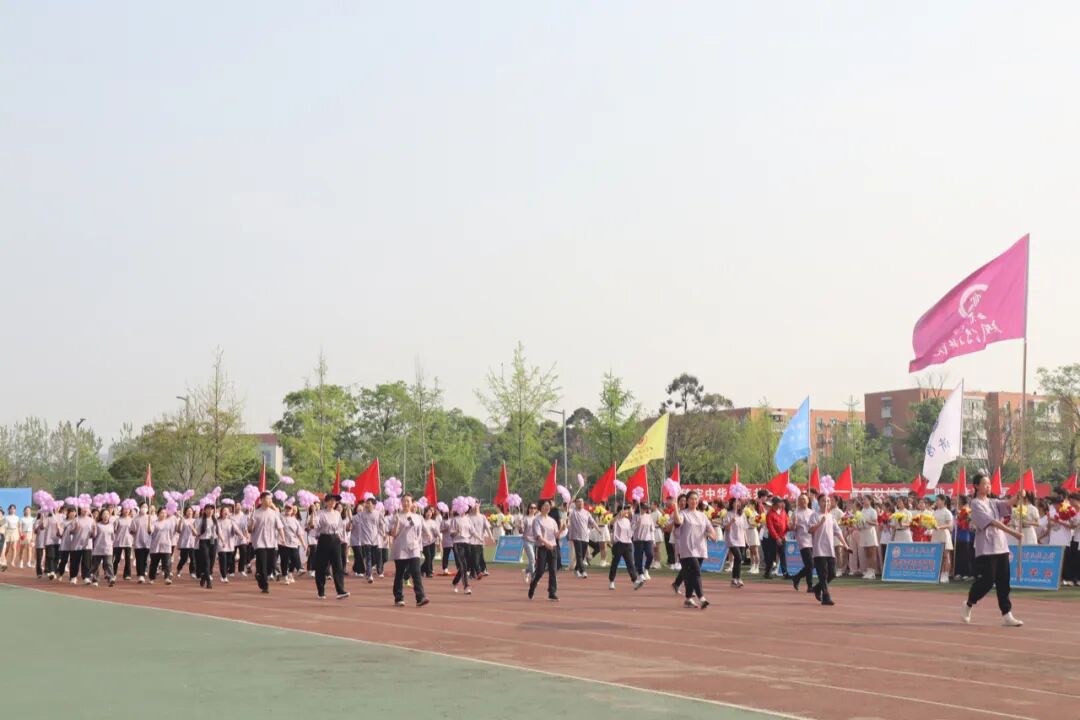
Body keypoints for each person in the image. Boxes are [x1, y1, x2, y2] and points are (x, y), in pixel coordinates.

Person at [963, 474, 1024, 627]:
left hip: (1001, 546)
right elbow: (992, 522)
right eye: (985, 484)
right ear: (976, 486)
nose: (988, 486)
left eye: (989, 484)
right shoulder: (975, 504)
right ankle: (969, 603)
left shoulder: (993, 502)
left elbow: (1008, 503)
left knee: (1004, 582)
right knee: (987, 581)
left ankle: (1007, 614)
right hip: (986, 548)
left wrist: (1018, 496)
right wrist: (1013, 533)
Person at [671, 490, 717, 609]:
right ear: (687, 501)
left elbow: (711, 531)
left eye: (696, 499)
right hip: (687, 549)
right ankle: (702, 598)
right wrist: (675, 507)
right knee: (696, 572)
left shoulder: (702, 515)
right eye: (691, 499)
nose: (694, 501)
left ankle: (688, 599)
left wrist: (712, 535)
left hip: (700, 549)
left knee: (692, 575)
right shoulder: (683, 513)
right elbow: (678, 521)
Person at [388, 494, 429, 607]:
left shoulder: (417, 517)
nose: (406, 503)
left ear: (412, 503)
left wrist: (428, 535)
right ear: (401, 502)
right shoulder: (397, 516)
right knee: (400, 573)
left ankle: (420, 597)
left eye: (408, 501)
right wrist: (397, 522)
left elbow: (421, 530)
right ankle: (398, 598)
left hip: (414, 548)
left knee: (416, 572)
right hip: (401, 548)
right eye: (404, 501)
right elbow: (393, 534)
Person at [809, 494, 848, 606]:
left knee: (832, 573)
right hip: (819, 550)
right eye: (823, 501)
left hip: (830, 549)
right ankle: (826, 597)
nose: (826, 503)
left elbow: (838, 531)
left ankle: (817, 588)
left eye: (828, 501)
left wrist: (845, 545)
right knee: (823, 574)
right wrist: (820, 523)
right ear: (818, 502)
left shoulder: (831, 516)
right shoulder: (814, 515)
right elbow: (810, 530)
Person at [312, 494, 349, 600]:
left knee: (338, 566)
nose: (333, 503)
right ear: (326, 502)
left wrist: (340, 538)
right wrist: (313, 515)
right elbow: (315, 525)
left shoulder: (337, 513)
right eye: (331, 500)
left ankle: (340, 591)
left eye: (335, 501)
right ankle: (321, 591)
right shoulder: (320, 513)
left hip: (335, 539)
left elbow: (340, 527)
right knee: (321, 566)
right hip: (324, 539)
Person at [249, 491, 285, 594]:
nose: (270, 501)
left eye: (271, 499)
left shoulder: (274, 513)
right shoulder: (255, 513)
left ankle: (259, 574)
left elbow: (280, 527)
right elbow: (250, 530)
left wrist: (283, 538)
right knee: (263, 565)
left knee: (271, 565)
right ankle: (265, 586)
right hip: (259, 543)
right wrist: (251, 523)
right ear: (262, 500)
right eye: (268, 499)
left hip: (272, 543)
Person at [528, 499, 559, 601]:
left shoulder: (552, 521)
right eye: (545, 505)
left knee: (553, 571)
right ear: (540, 507)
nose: (547, 507)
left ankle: (552, 592)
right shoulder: (537, 520)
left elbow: (556, 535)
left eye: (548, 506)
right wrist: (546, 543)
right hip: (542, 548)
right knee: (540, 571)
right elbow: (538, 536)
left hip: (553, 547)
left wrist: (562, 530)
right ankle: (533, 584)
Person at [607, 505, 645, 591]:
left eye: (627, 510)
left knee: (630, 563)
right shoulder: (616, 520)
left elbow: (630, 532)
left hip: (628, 544)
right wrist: (618, 515)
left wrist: (637, 524)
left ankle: (635, 581)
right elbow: (611, 524)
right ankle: (611, 581)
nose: (627, 511)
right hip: (618, 544)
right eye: (625, 510)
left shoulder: (627, 521)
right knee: (615, 563)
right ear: (620, 511)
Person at [790, 494, 816, 594]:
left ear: (808, 501)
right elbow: (791, 528)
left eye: (804, 499)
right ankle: (810, 586)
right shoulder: (795, 513)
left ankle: (797, 577)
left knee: (811, 564)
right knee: (810, 563)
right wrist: (794, 524)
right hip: (803, 540)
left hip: (812, 539)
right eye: (800, 499)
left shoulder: (812, 512)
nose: (802, 501)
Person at [65, 504, 95, 585]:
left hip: (87, 544)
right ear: (80, 509)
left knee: (86, 562)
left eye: (86, 508)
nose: (85, 510)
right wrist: (75, 529)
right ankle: (73, 577)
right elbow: (70, 532)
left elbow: (94, 534)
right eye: (83, 508)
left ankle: (86, 577)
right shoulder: (75, 520)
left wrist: (94, 530)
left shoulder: (91, 520)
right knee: (75, 561)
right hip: (76, 544)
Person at [147, 507, 177, 585]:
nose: (163, 514)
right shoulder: (154, 523)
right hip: (156, 546)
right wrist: (149, 522)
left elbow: (172, 533)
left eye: (165, 513)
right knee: (154, 564)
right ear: (158, 514)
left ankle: (167, 578)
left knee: (167, 563)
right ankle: (152, 578)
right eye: (162, 513)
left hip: (166, 545)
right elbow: (150, 531)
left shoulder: (169, 523)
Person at [279, 504, 306, 585]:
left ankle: (299, 569)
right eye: (286, 508)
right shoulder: (280, 517)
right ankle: (285, 576)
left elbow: (299, 533)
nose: (288, 510)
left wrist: (304, 544)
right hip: (283, 543)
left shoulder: (295, 520)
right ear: (284, 509)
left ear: (292, 511)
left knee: (295, 556)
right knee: (284, 560)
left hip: (294, 542)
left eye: (289, 509)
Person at [763, 497, 789, 580]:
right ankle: (768, 572)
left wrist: (789, 528)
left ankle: (785, 573)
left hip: (782, 537)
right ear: (775, 504)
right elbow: (771, 527)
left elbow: (786, 523)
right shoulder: (770, 514)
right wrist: (777, 538)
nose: (782, 504)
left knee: (782, 555)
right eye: (780, 502)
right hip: (773, 538)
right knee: (772, 555)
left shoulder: (783, 512)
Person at [724, 497, 748, 589]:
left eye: (739, 503)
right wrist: (731, 522)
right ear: (732, 504)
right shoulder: (729, 514)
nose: (738, 504)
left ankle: (734, 579)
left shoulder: (742, 514)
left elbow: (745, 528)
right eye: (735, 502)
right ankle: (738, 578)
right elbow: (726, 528)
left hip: (741, 540)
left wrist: (746, 540)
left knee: (738, 559)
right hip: (731, 539)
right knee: (738, 557)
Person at [90, 508, 116, 587]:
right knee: (96, 565)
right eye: (104, 514)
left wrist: (112, 544)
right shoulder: (97, 525)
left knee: (108, 563)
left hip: (108, 548)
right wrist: (94, 528)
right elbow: (94, 536)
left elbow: (113, 537)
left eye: (107, 514)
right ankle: (95, 579)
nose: (106, 516)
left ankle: (110, 578)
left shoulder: (111, 525)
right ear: (101, 516)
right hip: (98, 547)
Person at [931, 495, 955, 583]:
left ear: (943, 501)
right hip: (936, 534)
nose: (936, 502)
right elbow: (932, 522)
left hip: (944, 534)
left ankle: (946, 574)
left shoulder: (947, 512)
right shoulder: (935, 512)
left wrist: (939, 527)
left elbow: (950, 525)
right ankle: (939, 573)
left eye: (938, 500)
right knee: (937, 555)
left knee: (946, 555)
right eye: (936, 500)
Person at [195, 503, 218, 589]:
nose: (210, 511)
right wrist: (194, 532)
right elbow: (197, 533)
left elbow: (219, 531)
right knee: (207, 561)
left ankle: (204, 577)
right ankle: (208, 581)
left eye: (211, 509)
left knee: (212, 562)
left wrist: (223, 541)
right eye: (208, 509)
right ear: (204, 511)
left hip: (213, 541)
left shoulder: (215, 520)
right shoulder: (201, 520)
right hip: (204, 541)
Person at [449, 508, 472, 595]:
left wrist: (480, 538)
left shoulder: (468, 519)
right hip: (458, 543)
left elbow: (472, 531)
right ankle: (466, 587)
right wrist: (456, 532)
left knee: (467, 565)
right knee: (463, 565)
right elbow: (451, 534)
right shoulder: (455, 519)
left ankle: (454, 582)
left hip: (467, 543)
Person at [631, 501, 656, 580]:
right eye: (643, 508)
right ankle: (640, 573)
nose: (645, 510)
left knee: (650, 555)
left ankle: (646, 569)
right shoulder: (635, 516)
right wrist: (637, 524)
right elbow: (632, 528)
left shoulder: (649, 516)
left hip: (648, 539)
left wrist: (653, 540)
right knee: (639, 557)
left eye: (646, 508)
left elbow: (652, 529)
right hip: (638, 539)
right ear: (640, 508)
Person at [858, 495, 880, 579]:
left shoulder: (873, 511)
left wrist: (867, 521)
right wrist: (859, 524)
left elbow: (876, 523)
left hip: (870, 532)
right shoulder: (862, 511)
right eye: (863, 500)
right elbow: (860, 521)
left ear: (870, 501)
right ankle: (868, 570)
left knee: (871, 553)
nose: (863, 501)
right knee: (866, 553)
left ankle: (872, 572)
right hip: (863, 532)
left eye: (865, 499)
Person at [112, 505, 134, 581]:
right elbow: (114, 530)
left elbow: (134, 530)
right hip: (118, 541)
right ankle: (113, 573)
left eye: (128, 509)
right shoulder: (118, 520)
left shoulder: (132, 520)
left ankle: (127, 574)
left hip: (128, 541)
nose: (126, 511)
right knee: (117, 559)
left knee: (128, 559)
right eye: (125, 509)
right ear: (122, 510)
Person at [132, 504, 153, 583]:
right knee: (139, 559)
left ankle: (144, 572)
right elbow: (131, 530)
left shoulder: (150, 518)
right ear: (140, 508)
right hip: (138, 542)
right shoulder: (135, 519)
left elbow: (152, 531)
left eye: (146, 507)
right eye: (143, 507)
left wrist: (150, 524)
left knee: (145, 559)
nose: (144, 508)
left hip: (148, 542)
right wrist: (133, 530)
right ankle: (141, 575)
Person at [176, 507, 197, 579]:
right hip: (184, 542)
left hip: (192, 542)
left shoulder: (195, 521)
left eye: (190, 511)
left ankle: (192, 572)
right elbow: (179, 530)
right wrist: (180, 521)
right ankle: (179, 568)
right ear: (185, 512)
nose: (189, 512)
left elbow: (196, 532)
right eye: (188, 511)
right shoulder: (183, 520)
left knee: (193, 558)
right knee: (184, 558)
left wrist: (193, 528)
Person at [420, 505, 440, 578]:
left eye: (430, 512)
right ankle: (428, 572)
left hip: (432, 542)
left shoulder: (433, 522)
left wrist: (438, 536)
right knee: (428, 557)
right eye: (427, 512)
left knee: (432, 556)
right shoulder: (422, 521)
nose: (429, 514)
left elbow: (436, 531)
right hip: (424, 543)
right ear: (425, 513)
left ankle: (421, 569)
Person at [520, 502, 539, 583]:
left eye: (534, 508)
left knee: (534, 561)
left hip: (536, 542)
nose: (532, 509)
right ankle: (533, 577)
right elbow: (521, 531)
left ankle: (527, 570)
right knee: (532, 559)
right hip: (527, 541)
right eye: (531, 508)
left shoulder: (537, 519)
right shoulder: (525, 519)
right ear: (528, 509)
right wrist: (521, 528)